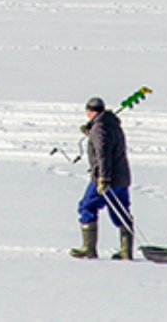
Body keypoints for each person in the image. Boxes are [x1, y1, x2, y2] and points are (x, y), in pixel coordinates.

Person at [69, 97, 134, 260]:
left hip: (106, 178)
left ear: (90, 112)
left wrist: (103, 178)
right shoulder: (112, 124)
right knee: (120, 211)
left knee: (87, 206)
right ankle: (126, 251)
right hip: (122, 177)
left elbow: (103, 155)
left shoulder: (99, 129)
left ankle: (88, 248)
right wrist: (91, 132)